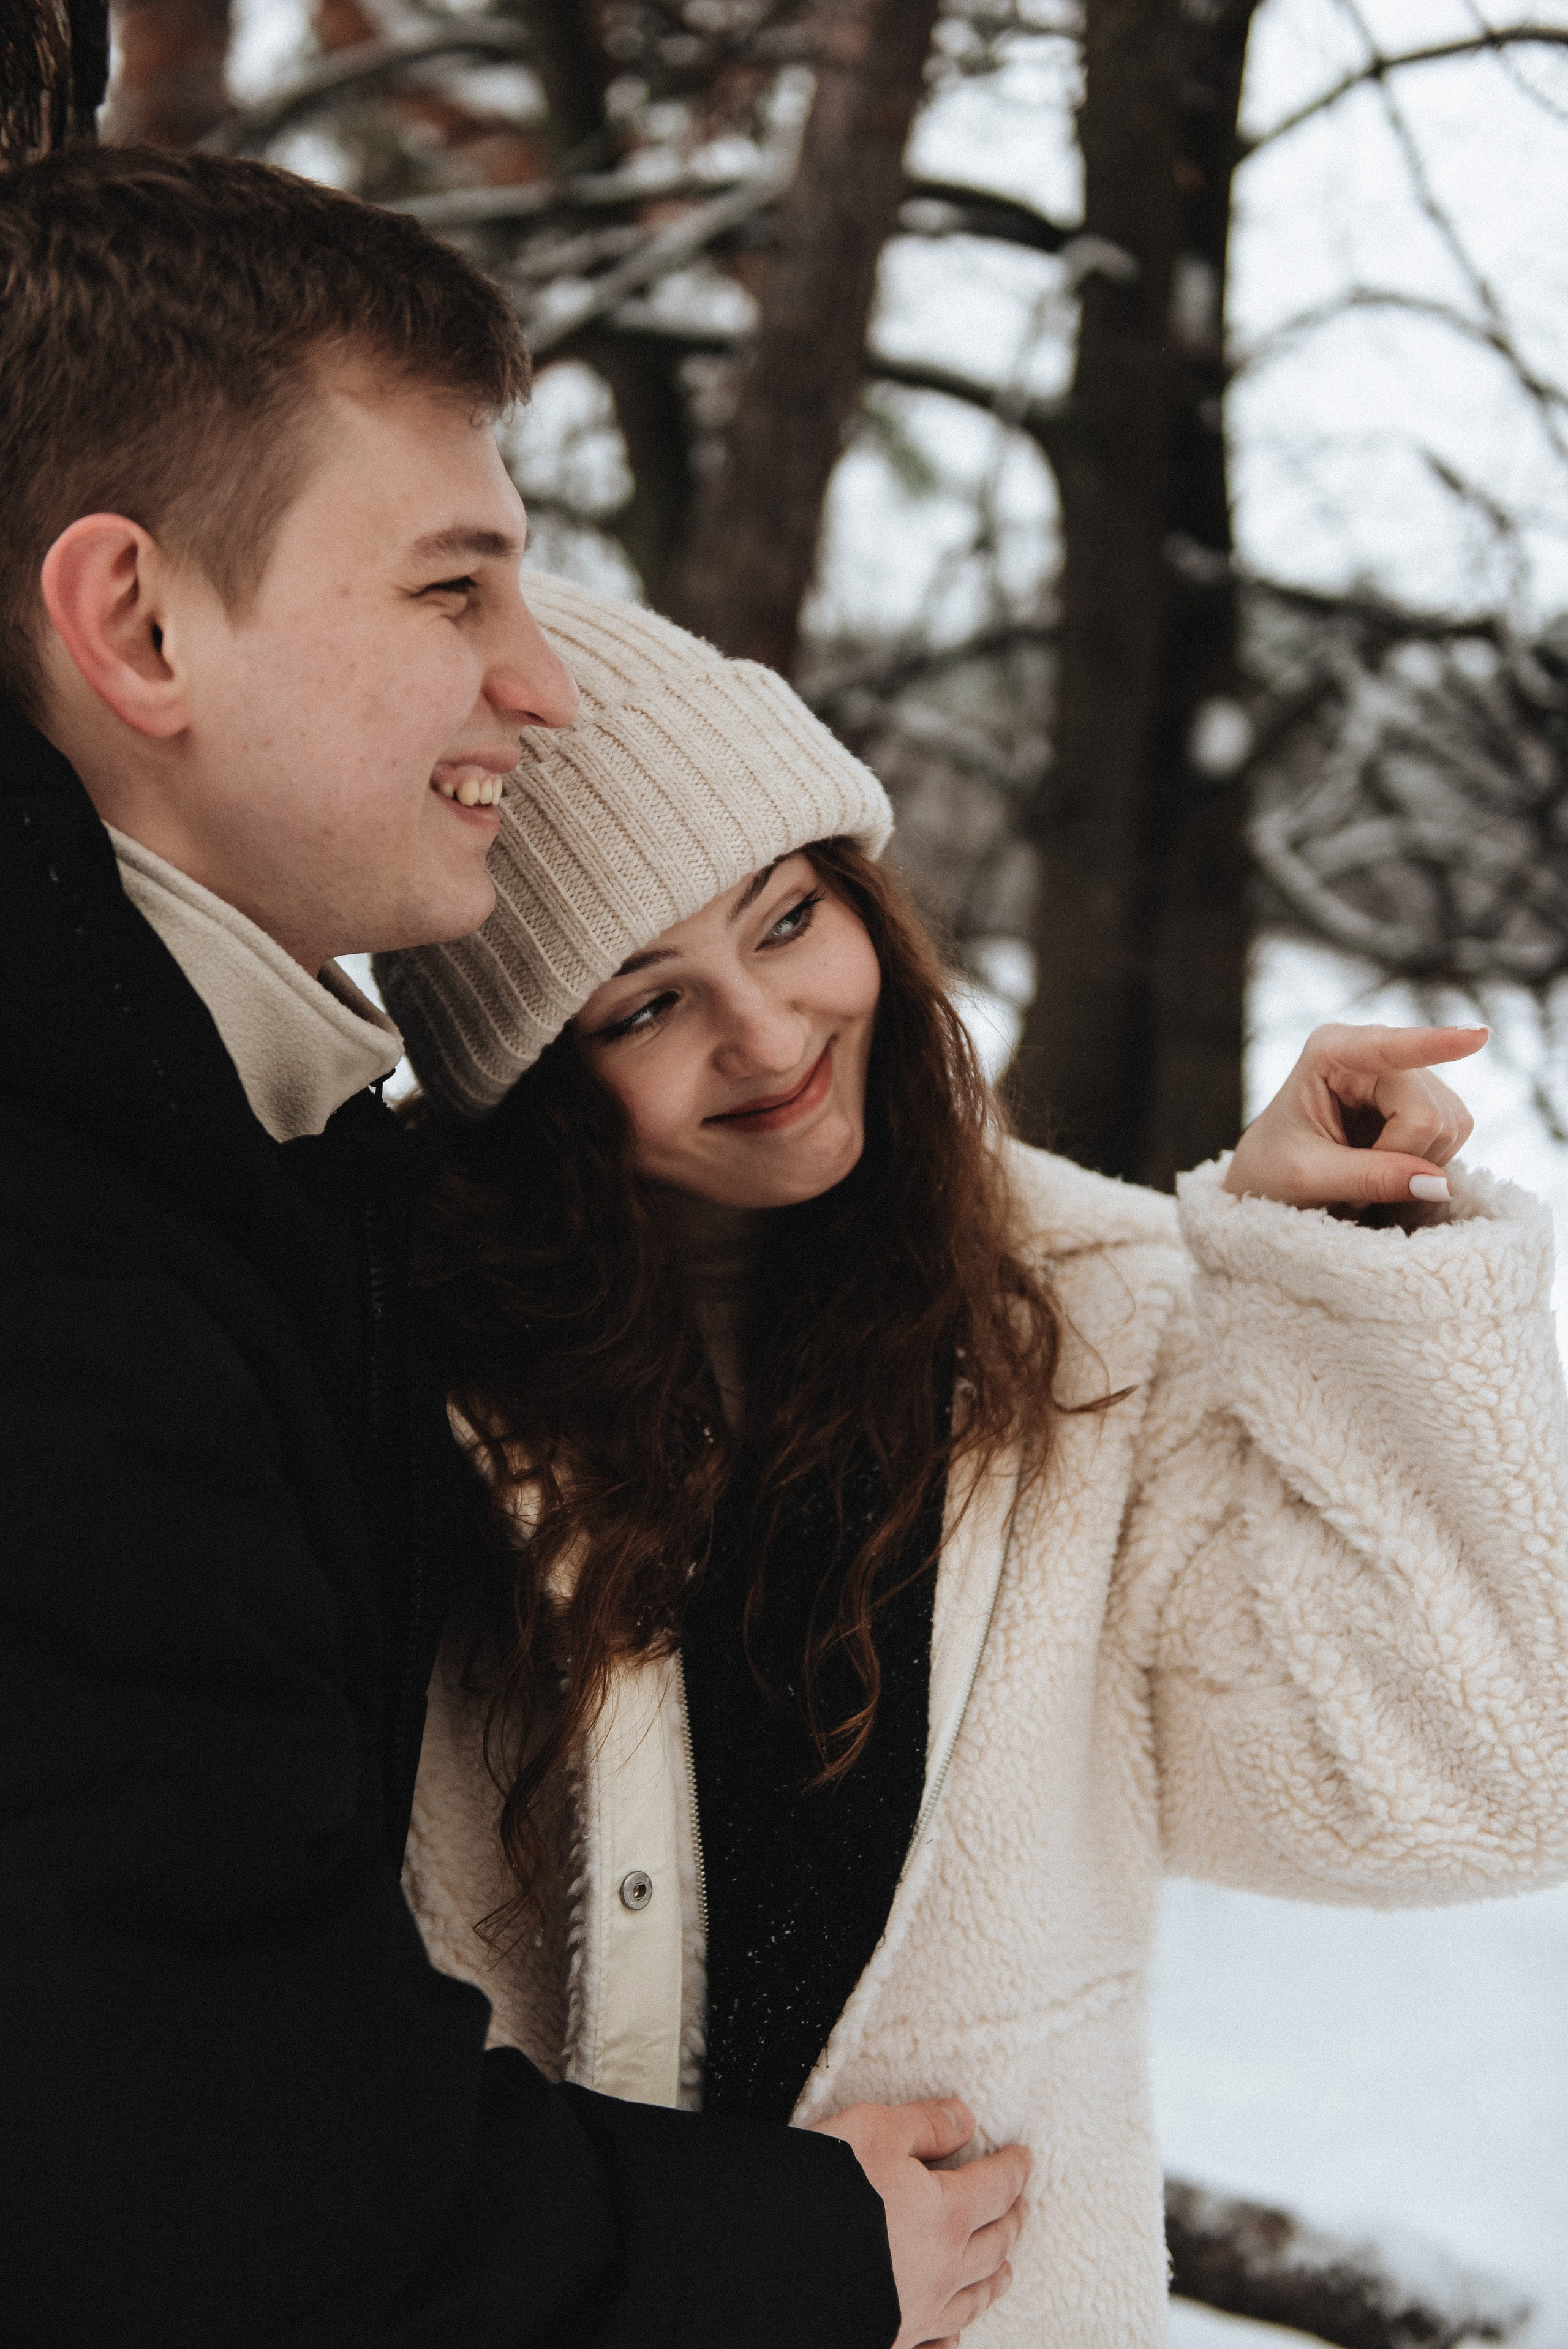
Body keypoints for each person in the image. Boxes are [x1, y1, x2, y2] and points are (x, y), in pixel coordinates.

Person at [0, 145, 1030, 2349]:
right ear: (141, 625)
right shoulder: (64, 1264)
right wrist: (793, 2254)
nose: (539, 685)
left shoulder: (214, 1142)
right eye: (454, 588)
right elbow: (199, 2157)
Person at [376, 575, 1568, 2348]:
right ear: (530, 1079)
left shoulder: (1085, 1327)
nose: (769, 1035)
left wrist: (1347, 1289)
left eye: (788, 918)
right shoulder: (399, 1367)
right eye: (643, 1006)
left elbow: (1485, 1770)